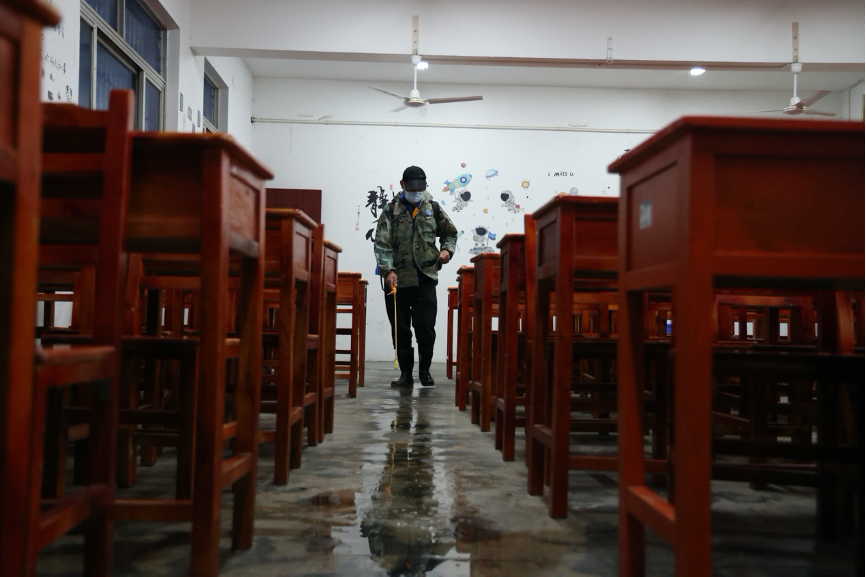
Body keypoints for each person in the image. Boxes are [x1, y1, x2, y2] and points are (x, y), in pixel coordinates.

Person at [374, 165, 458, 388]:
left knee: (425, 328)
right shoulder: (391, 210)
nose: (416, 192)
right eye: (412, 188)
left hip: (425, 279)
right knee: (400, 330)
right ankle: (405, 375)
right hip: (397, 281)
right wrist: (388, 270)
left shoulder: (433, 208)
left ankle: (425, 372)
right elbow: (381, 243)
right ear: (402, 185)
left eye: (420, 188)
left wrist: (446, 250)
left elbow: (450, 233)